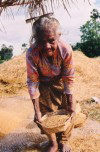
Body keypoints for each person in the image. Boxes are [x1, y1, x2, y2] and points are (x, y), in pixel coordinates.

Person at [26, 13, 75, 152]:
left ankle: (64, 141)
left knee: (68, 110)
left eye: (51, 40)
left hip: (61, 81)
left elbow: (69, 78)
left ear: (59, 36)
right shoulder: (32, 53)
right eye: (41, 42)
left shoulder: (65, 49)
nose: (47, 46)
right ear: (36, 40)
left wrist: (70, 101)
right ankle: (53, 142)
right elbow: (32, 81)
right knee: (44, 113)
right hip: (43, 83)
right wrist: (36, 111)